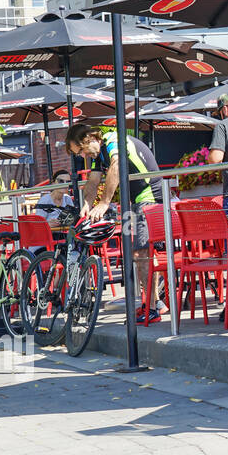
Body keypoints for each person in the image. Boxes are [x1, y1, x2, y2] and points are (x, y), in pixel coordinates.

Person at [66, 122, 163, 324]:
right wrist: (86, 204)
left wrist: (103, 204)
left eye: (82, 150)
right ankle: (155, 302)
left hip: (151, 196)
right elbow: (93, 183)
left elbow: (116, 167)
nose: (84, 156)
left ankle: (152, 307)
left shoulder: (112, 140)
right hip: (138, 199)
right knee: (141, 253)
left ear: (90, 139)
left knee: (141, 253)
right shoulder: (97, 154)